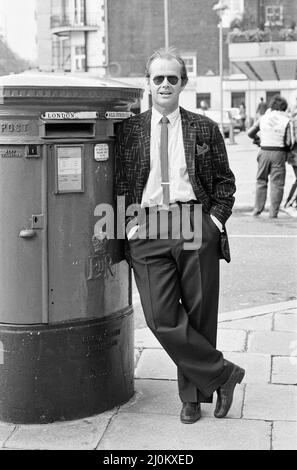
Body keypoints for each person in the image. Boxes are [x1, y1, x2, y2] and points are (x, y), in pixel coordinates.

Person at [114, 47, 245, 424]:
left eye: (173, 78)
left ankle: (192, 398)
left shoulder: (204, 127)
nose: (166, 84)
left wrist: (214, 223)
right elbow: (121, 183)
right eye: (159, 78)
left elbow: (225, 182)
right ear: (148, 83)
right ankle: (223, 375)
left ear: (183, 83)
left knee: (200, 312)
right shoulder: (130, 130)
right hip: (148, 226)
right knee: (159, 315)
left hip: (193, 221)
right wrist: (130, 226)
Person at [247, 94, 291, 218]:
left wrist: (259, 140)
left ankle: (257, 210)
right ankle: (273, 213)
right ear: (284, 107)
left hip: (264, 151)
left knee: (261, 181)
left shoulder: (264, 118)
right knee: (277, 184)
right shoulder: (286, 120)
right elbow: (288, 141)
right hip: (279, 153)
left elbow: (250, 133)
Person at [284, 117, 297, 217]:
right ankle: (290, 202)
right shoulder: (294, 121)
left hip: (293, 154)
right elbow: (292, 141)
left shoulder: (292, 120)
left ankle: (290, 202)